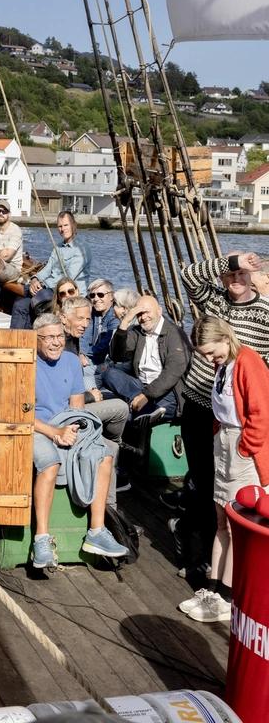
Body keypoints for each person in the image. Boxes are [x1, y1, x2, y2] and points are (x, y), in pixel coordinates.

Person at [171, 251, 269, 574]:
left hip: (237, 419)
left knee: (227, 494)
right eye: (231, 274)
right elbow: (189, 276)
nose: (236, 280)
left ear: (253, 278)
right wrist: (234, 260)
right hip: (199, 405)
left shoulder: (264, 313)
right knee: (203, 484)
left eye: (242, 275)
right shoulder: (214, 301)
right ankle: (194, 552)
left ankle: (221, 568)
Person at [178, 317, 269, 624]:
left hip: (242, 450)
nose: (208, 358)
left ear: (223, 338)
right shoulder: (223, 365)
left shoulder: (248, 361)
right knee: (220, 519)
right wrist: (219, 436)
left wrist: (244, 448)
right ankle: (213, 587)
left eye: (209, 352)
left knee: (234, 523)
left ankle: (228, 597)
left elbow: (261, 411)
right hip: (224, 444)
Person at [31, 313, 129, 569]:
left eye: (59, 337)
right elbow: (21, 414)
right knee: (50, 463)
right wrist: (54, 432)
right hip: (37, 427)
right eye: (49, 337)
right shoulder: (26, 362)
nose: (55, 343)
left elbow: (76, 407)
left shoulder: (72, 361)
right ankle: (41, 538)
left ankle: (96, 531)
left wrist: (72, 431)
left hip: (66, 423)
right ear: (36, 339)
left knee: (104, 453)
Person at [59, 296, 130, 502]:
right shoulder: (60, 343)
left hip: (75, 406)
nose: (84, 324)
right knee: (120, 407)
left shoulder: (71, 339)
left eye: (88, 320)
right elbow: (64, 394)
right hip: (65, 413)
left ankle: (109, 509)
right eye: (80, 319)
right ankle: (112, 437)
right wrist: (90, 396)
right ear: (64, 318)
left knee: (111, 447)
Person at [102, 295, 190, 423]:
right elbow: (116, 355)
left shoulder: (174, 333)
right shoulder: (137, 332)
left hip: (168, 391)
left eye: (147, 312)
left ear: (159, 311)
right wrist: (125, 323)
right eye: (139, 314)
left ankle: (138, 410)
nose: (143, 318)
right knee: (109, 373)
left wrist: (146, 395)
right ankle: (146, 409)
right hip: (140, 386)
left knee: (129, 414)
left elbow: (172, 372)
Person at [10, 211, 90, 329]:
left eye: (66, 225)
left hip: (67, 294)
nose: (63, 229)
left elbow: (68, 278)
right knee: (19, 304)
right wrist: (35, 279)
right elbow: (48, 269)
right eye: (60, 226)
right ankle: (18, 343)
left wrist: (43, 285)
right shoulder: (58, 247)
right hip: (50, 290)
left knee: (35, 304)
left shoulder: (81, 249)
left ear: (74, 225)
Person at [80, 278, 119, 390]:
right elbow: (85, 336)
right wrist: (81, 353)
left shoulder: (114, 316)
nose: (96, 299)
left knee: (81, 370)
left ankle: (92, 395)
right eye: (92, 295)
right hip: (94, 358)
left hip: (107, 363)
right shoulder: (94, 314)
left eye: (101, 295)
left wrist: (86, 357)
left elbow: (106, 344)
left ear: (111, 296)